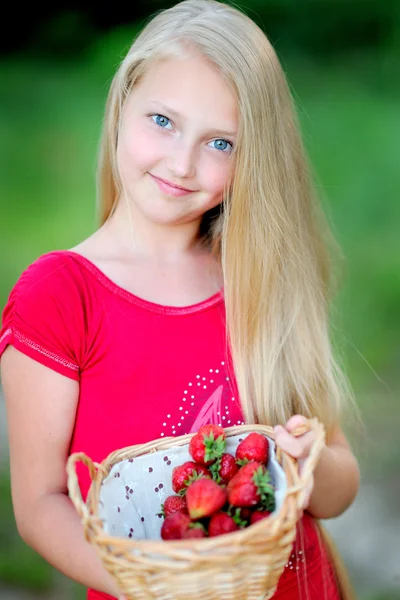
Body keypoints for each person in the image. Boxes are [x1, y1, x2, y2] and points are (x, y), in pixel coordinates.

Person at [0, 0, 361, 598]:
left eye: (221, 143)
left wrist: (304, 464)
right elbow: (40, 505)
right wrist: (161, 587)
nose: (182, 163)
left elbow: (341, 487)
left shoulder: (259, 279)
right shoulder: (60, 296)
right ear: (121, 105)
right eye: (163, 122)